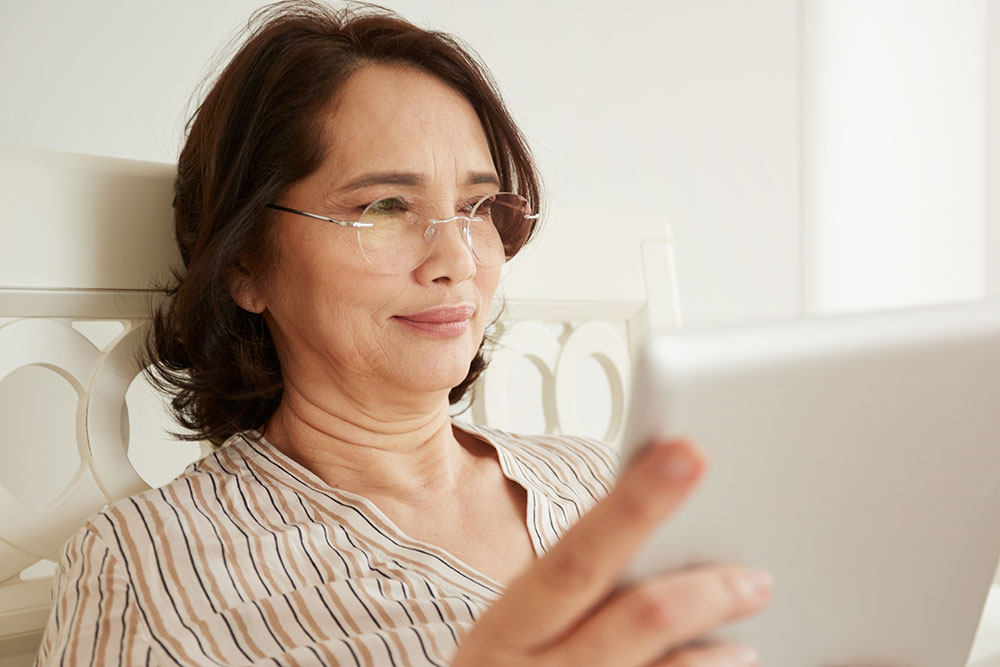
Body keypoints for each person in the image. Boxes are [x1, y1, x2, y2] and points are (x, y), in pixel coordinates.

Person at [35, 2, 772, 665]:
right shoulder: (146, 568)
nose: (458, 259)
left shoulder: (602, 479)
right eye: (385, 206)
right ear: (246, 261)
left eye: (480, 206)